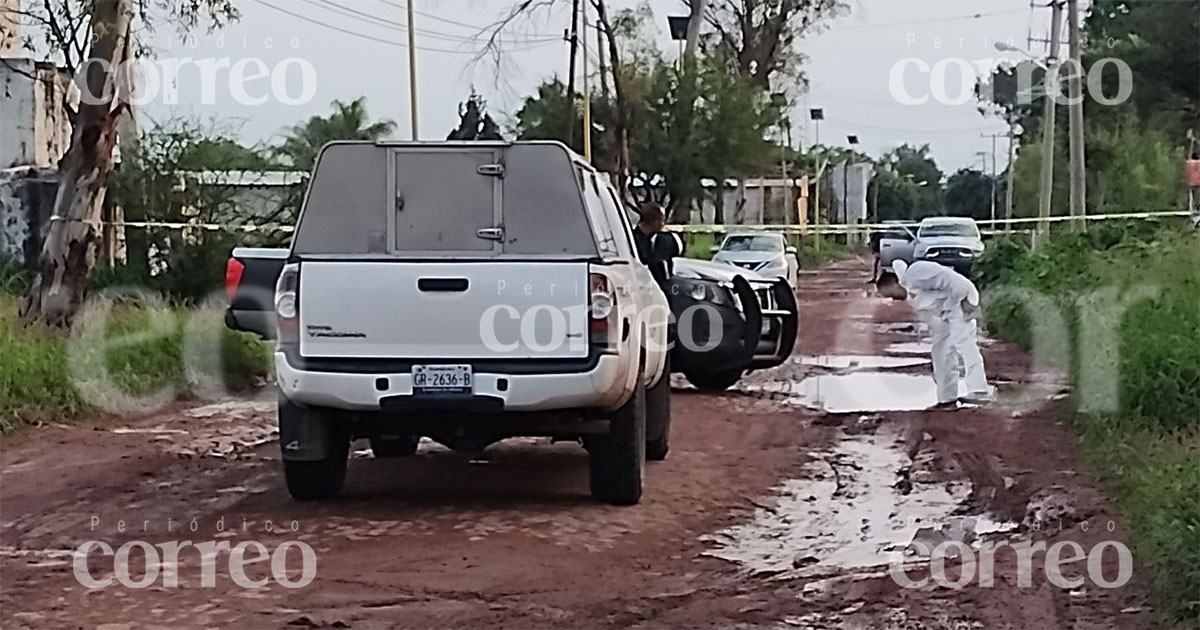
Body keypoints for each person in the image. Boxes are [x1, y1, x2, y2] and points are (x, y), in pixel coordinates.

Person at [893, 260, 990, 408]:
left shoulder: (916, 273)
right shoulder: (912, 292)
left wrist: (967, 299)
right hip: (947, 312)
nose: (892, 298)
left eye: (888, 291)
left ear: (895, 283)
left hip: (961, 301)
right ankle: (947, 398)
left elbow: (947, 278)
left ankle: (979, 391)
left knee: (965, 344)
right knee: (941, 351)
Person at [633, 203, 669, 283]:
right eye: (662, 220)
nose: (663, 224)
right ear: (655, 221)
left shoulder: (650, 238)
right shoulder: (636, 241)